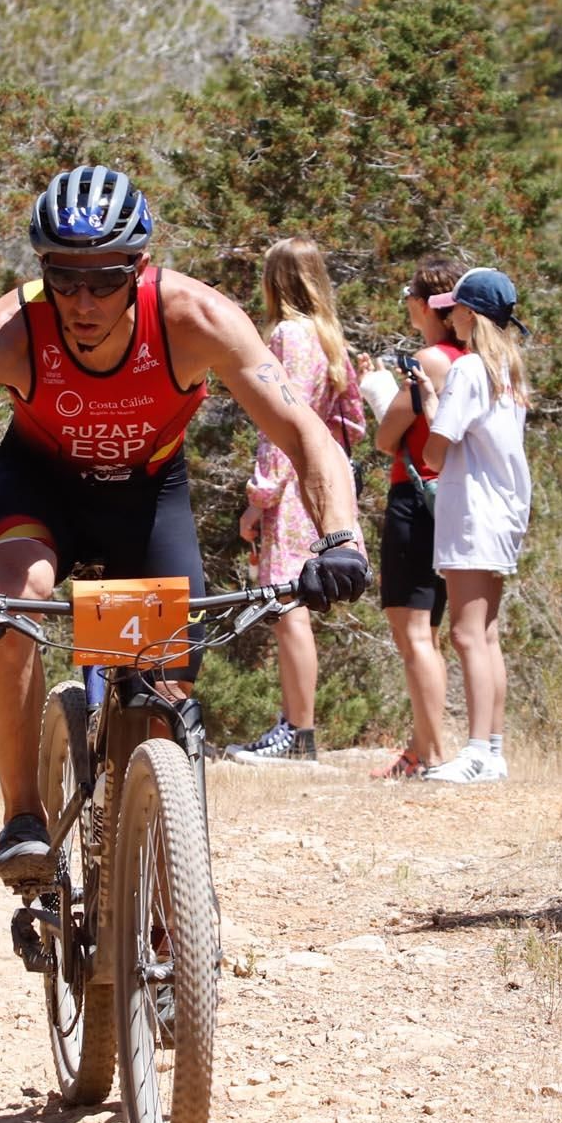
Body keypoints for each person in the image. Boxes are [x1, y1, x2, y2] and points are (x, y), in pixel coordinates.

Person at [0, 166, 370, 885]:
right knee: (12, 601)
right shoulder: (5, 331)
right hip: (40, 488)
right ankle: (23, 816)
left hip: (147, 496)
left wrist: (343, 538)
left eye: (105, 278)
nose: (82, 301)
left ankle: (155, 880)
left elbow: (307, 434)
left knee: (162, 691)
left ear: (140, 267)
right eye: (63, 277)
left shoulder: (193, 319)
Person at [229, 238, 365, 764]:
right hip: (327, 484)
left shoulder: (285, 335)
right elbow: (350, 422)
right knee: (298, 602)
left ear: (276, 281)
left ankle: (298, 732)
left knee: (287, 605)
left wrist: (259, 497)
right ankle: (295, 728)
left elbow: (278, 423)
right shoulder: (333, 339)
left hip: (289, 490)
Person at [412, 267, 532, 784]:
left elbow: (436, 451)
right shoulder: (510, 373)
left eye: (456, 307)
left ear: (470, 314)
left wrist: (433, 407)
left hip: (473, 512)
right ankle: (493, 748)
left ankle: (478, 750)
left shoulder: (469, 371)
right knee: (486, 634)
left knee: (465, 634)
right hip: (503, 511)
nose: (450, 315)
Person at [368, 258, 467, 779]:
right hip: (451, 502)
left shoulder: (427, 360)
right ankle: (419, 748)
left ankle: (432, 755)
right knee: (431, 633)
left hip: (413, 500)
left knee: (414, 636)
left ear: (423, 304)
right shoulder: (473, 358)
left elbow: (386, 437)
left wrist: (378, 390)